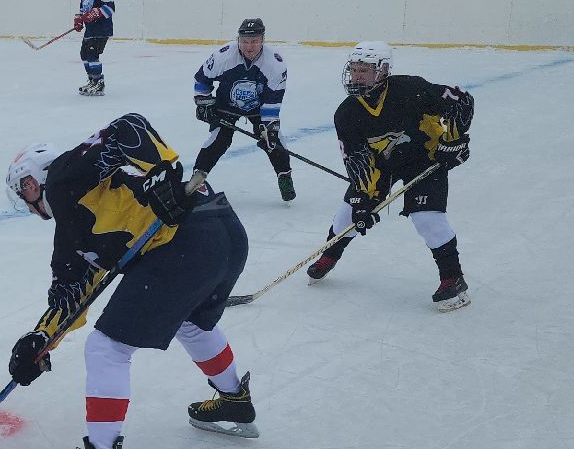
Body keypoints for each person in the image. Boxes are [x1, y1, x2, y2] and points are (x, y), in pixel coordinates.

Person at [2, 113, 257, 449]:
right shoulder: (71, 227)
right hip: (224, 234)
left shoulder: (65, 176)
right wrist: (40, 339)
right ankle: (235, 403)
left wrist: (166, 171)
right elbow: (72, 292)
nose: (26, 201)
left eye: (22, 190)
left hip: (189, 242)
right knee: (191, 322)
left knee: (106, 350)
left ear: (31, 182)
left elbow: (128, 127)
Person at [307, 41, 475, 311]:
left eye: (365, 69)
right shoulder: (347, 112)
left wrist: (453, 142)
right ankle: (330, 255)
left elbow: (461, 101)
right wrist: (363, 198)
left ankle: (453, 279)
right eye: (354, 68)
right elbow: (359, 159)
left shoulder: (411, 89)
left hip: (424, 159)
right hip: (382, 165)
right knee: (348, 214)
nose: (357, 75)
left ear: (383, 70)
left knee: (427, 219)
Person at [192, 17, 296, 200]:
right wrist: (203, 102)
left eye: (254, 41)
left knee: (273, 141)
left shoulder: (275, 64)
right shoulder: (223, 56)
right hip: (226, 106)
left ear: (262, 40)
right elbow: (202, 79)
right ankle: (197, 178)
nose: (249, 47)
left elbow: (273, 100)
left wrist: (268, 126)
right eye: (245, 41)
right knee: (220, 139)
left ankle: (284, 175)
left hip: (259, 109)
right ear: (238, 40)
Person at [74, 0, 116, 96]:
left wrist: (96, 12)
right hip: (90, 30)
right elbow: (83, 11)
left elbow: (110, 9)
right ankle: (92, 80)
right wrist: (79, 20)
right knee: (84, 55)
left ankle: (99, 83)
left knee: (92, 55)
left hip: (102, 29)